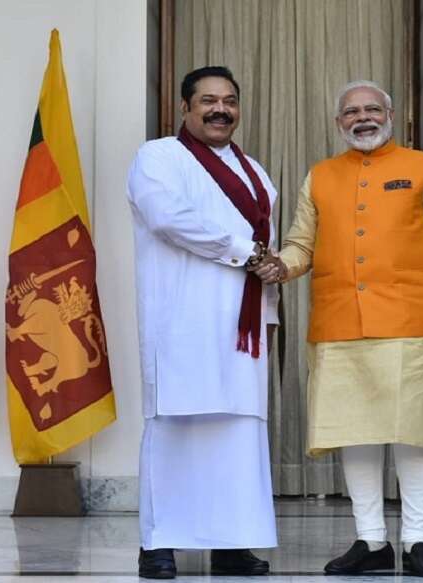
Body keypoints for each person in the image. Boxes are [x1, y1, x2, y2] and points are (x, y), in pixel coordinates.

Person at [254, 80, 423, 578]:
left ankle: (418, 541)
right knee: (355, 433)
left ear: (390, 115)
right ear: (339, 123)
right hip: (338, 326)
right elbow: (301, 245)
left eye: (373, 109)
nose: (363, 118)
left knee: (414, 433)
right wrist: (280, 266)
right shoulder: (320, 176)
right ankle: (371, 541)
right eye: (352, 112)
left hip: (413, 324)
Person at [127, 66, 279, 579]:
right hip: (180, 320)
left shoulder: (257, 172)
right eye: (208, 100)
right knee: (175, 427)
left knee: (238, 433)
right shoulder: (158, 157)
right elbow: (169, 219)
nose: (220, 110)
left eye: (229, 101)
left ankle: (232, 543)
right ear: (185, 108)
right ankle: (159, 544)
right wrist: (242, 251)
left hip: (242, 330)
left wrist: (269, 316)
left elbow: (266, 252)